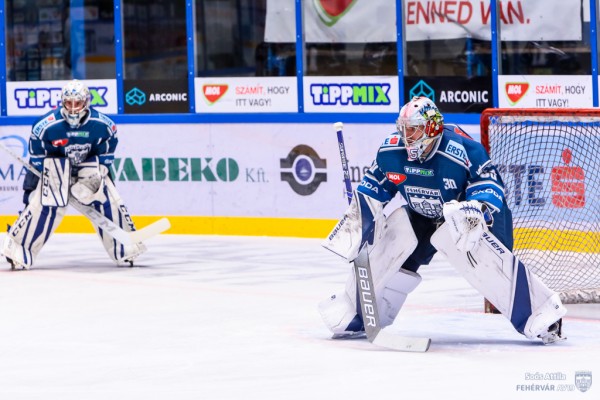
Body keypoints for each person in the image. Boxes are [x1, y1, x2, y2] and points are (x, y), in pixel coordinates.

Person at [320, 96, 566, 344]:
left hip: (467, 216)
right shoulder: (391, 152)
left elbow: (490, 186)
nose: (407, 137)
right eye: (404, 129)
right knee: (394, 235)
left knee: (482, 257)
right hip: (423, 215)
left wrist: (475, 209)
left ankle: (543, 316)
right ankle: (359, 314)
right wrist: (360, 221)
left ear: (432, 128)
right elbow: (373, 189)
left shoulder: (463, 150)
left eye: (414, 130)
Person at [1, 80, 146, 269]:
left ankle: (126, 249)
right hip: (55, 168)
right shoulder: (45, 126)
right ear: (62, 102)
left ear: (86, 102)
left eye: (77, 103)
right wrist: (41, 187)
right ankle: (18, 251)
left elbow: (106, 156)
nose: (72, 108)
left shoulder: (103, 125)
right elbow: (36, 159)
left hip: (88, 167)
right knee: (44, 204)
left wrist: (97, 177)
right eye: (68, 102)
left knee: (106, 198)